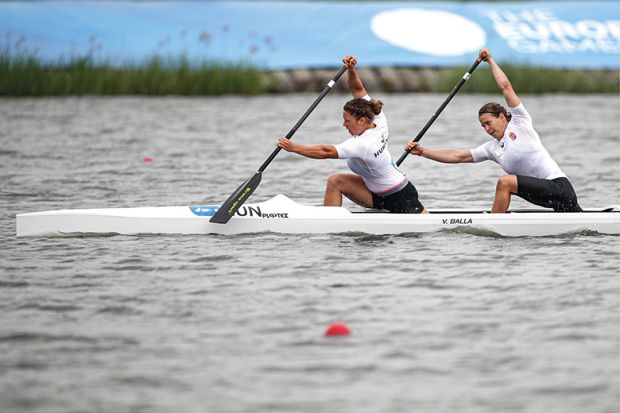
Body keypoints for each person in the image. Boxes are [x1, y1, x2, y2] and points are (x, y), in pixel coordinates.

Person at [405, 49, 582, 213]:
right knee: (507, 183)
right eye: (483, 126)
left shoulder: (520, 123)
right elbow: (456, 156)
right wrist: (422, 151)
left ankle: (494, 226)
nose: (487, 129)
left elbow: (506, 87)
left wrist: (490, 60)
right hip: (546, 197)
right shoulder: (492, 149)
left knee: (504, 182)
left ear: (502, 116)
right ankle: (498, 220)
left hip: (560, 189)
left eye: (489, 123)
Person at [277, 55, 426, 213]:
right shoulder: (378, 119)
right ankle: (330, 221)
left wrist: (294, 148)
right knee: (336, 181)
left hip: (400, 196)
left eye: (347, 121)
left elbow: (326, 152)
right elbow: (358, 90)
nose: (344, 124)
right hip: (381, 192)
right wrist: (351, 70)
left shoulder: (362, 144)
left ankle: (327, 223)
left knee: (425, 225)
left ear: (361, 120)